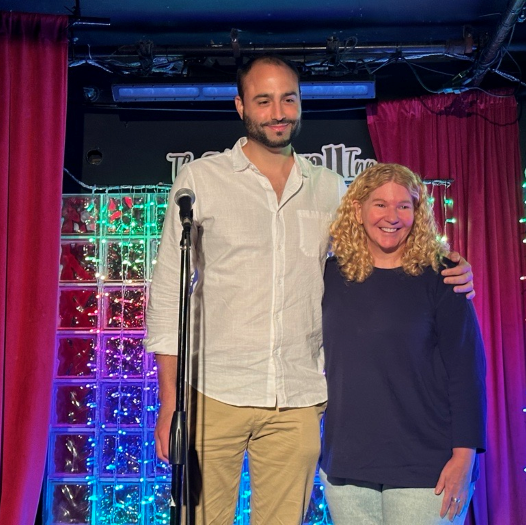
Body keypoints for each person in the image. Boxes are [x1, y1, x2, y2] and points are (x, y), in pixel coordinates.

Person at [145, 56, 475, 525]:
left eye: (288, 98)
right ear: (241, 106)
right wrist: (170, 403)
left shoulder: (330, 188)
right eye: (263, 100)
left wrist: (447, 265)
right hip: (213, 393)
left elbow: (383, 252)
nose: (278, 111)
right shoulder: (202, 180)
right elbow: (166, 296)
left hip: (297, 401)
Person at [319, 163, 487, 524]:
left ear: (418, 213)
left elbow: (467, 373)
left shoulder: (443, 276)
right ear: (358, 210)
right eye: (380, 204)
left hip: (428, 467)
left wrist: (464, 458)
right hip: (347, 466)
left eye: (404, 206)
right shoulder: (328, 276)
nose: (392, 216)